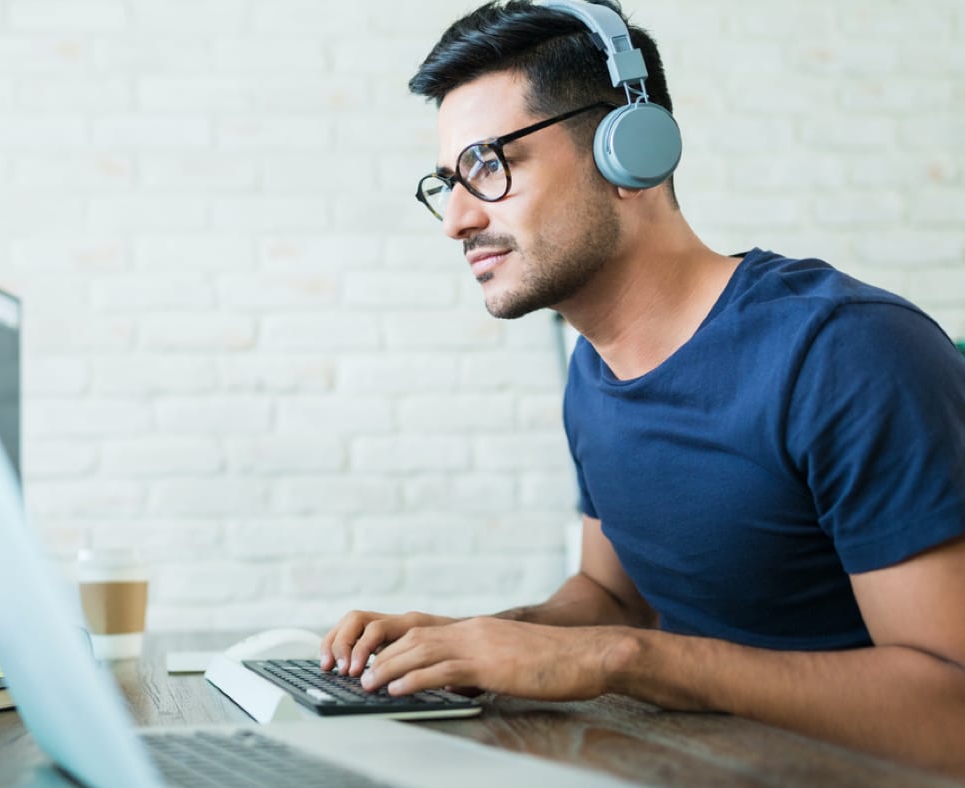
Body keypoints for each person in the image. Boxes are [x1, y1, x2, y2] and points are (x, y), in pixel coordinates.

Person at [320, 0, 965, 776]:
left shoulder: (846, 353)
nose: (456, 219)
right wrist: (465, 643)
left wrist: (625, 659)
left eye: (489, 166)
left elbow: (951, 709)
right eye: (447, 181)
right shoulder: (592, 367)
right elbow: (610, 597)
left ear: (631, 153)